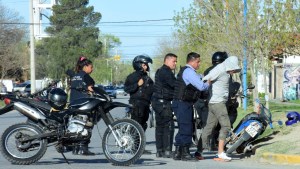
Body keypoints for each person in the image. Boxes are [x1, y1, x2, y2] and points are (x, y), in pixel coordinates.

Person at [195, 56, 241, 161]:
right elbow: (206, 78)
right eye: (233, 68)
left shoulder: (225, 71)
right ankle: (220, 153)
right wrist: (207, 85)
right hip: (218, 103)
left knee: (209, 128)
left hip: (214, 103)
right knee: (226, 125)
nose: (233, 71)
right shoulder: (219, 69)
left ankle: (198, 152)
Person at [172, 52, 211, 161]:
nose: (199, 64)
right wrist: (209, 82)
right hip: (183, 103)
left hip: (181, 103)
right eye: (198, 61)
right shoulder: (189, 72)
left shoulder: (187, 71)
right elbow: (202, 87)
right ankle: (185, 153)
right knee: (187, 128)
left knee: (183, 128)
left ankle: (178, 152)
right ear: (192, 61)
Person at [194, 51, 228, 152]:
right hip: (216, 101)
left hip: (205, 102)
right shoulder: (222, 71)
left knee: (208, 126)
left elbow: (203, 83)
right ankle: (220, 150)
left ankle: (199, 150)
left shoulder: (208, 70)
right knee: (225, 125)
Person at [151, 53, 177, 158]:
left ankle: (160, 151)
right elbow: (174, 85)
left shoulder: (160, 71)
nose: (175, 63)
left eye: (176, 62)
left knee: (160, 126)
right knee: (169, 126)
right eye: (173, 61)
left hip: (158, 102)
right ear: (167, 60)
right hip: (163, 103)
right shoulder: (166, 72)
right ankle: (167, 151)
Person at [69, 56, 95, 156]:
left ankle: (75, 149)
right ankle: (83, 148)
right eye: (91, 67)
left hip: (73, 104)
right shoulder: (86, 76)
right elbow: (91, 89)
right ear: (85, 66)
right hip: (83, 104)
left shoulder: (75, 76)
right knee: (87, 126)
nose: (92, 69)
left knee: (76, 126)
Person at [124, 55, 154, 132]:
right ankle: (132, 142)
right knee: (135, 127)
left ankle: (139, 143)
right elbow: (126, 89)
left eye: (146, 65)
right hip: (136, 105)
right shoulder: (132, 76)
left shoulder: (147, 77)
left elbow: (152, 90)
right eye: (144, 65)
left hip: (146, 105)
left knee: (143, 126)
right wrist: (137, 84)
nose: (146, 67)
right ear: (138, 64)